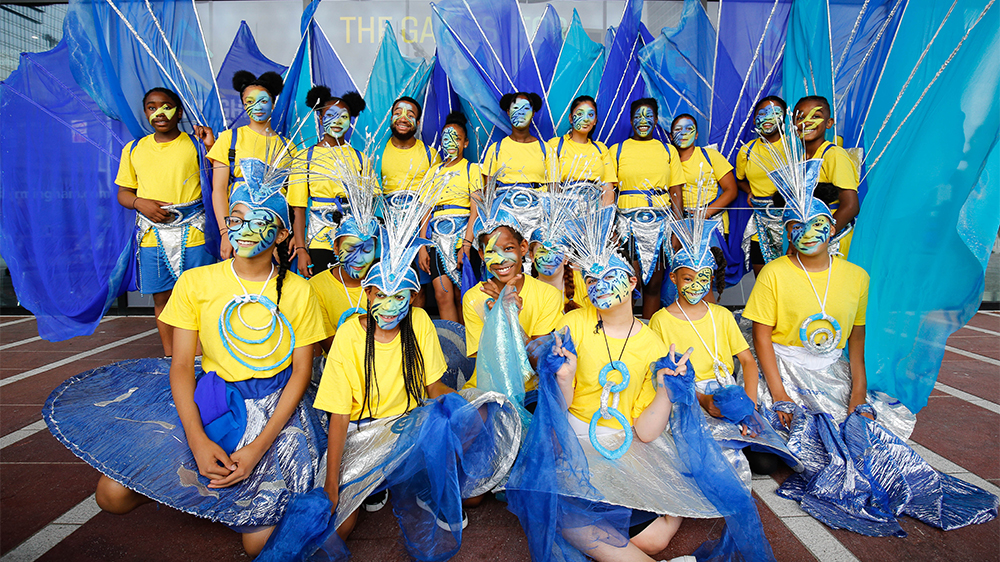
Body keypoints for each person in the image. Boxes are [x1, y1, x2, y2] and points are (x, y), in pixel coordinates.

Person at [46, 157, 329, 558]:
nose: (244, 228)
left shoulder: (299, 291)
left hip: (277, 408)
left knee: (258, 545)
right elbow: (181, 366)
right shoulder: (197, 282)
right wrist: (196, 441)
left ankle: (232, 487)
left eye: (260, 220)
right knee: (112, 496)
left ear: (283, 233)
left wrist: (257, 448)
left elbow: (301, 373)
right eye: (235, 217)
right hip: (213, 401)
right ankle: (194, 487)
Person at [506, 204, 772, 562]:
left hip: (624, 443)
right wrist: (564, 378)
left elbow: (646, 432)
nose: (598, 287)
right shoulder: (576, 324)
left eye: (608, 277)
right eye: (591, 280)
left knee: (654, 538)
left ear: (632, 281)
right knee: (560, 516)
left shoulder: (652, 344)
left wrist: (665, 388)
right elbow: (562, 407)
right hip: (576, 441)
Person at [313, 181, 520, 560]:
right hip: (364, 434)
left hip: (409, 428)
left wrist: (465, 413)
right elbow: (339, 414)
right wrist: (331, 485)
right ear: (368, 295)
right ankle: (378, 483)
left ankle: (427, 482)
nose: (390, 308)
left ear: (412, 297)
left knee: (483, 406)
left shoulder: (420, 321)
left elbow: (432, 387)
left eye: (400, 298)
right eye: (381, 297)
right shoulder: (349, 332)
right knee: (334, 529)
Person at [115, 87, 217, 356]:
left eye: (166, 106)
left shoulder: (196, 145)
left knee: (197, 299)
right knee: (163, 299)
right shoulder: (134, 149)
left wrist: (210, 146)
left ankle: (199, 358)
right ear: (145, 112)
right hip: (152, 237)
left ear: (179, 112)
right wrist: (140, 203)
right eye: (151, 107)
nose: (159, 112)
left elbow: (221, 180)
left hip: (194, 234)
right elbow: (124, 193)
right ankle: (171, 357)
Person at [461, 181, 563, 390]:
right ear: (481, 254)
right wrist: (499, 310)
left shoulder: (548, 295)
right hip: (488, 389)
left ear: (523, 247)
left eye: (508, 248)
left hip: (533, 392)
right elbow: (490, 365)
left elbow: (538, 363)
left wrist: (509, 316)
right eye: (490, 252)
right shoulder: (473, 298)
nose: (500, 259)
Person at [611, 98, 685, 318]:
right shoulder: (617, 150)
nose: (643, 121)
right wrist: (610, 228)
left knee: (653, 284)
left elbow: (677, 194)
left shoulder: (668, 150)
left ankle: (649, 332)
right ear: (631, 119)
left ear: (656, 119)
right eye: (638, 116)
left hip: (661, 225)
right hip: (627, 225)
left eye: (649, 115)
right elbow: (608, 193)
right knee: (627, 281)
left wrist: (678, 231)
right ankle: (625, 332)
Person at [207, 71, 290, 259]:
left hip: (272, 228)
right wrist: (224, 233)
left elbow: (291, 196)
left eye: (263, 100)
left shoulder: (288, 146)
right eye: (250, 102)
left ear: (273, 103)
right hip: (239, 227)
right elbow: (219, 190)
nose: (257, 107)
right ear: (243, 105)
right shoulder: (230, 138)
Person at [307, 146, 381, 354]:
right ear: (335, 246)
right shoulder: (315, 287)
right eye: (350, 249)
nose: (358, 258)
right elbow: (328, 346)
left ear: (376, 250)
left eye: (367, 249)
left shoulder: (386, 283)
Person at [288, 86, 367, 277]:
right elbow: (298, 208)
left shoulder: (361, 158)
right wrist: (301, 249)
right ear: (320, 119)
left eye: (344, 116)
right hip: (319, 238)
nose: (337, 121)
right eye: (331, 115)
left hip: (353, 239)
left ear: (351, 121)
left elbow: (369, 206)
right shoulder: (304, 158)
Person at [418, 111, 481, 323]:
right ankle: (453, 346)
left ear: (465, 143)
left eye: (457, 138)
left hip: (463, 237)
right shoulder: (433, 172)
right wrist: (422, 246)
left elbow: (475, 211)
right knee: (442, 295)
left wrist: (467, 244)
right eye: (446, 138)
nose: (451, 142)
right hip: (435, 239)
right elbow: (425, 212)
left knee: (463, 295)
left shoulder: (471, 169)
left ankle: (470, 350)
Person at [792, 95, 860, 257]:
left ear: (829, 123)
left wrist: (820, 237)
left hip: (831, 241)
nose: (807, 122)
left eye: (815, 116)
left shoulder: (834, 155)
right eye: (800, 117)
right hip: (808, 239)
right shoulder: (801, 159)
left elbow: (850, 206)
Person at [734, 95, 787, 274]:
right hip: (761, 224)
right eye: (761, 113)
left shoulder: (795, 146)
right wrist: (748, 191)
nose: (766, 118)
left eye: (773, 112)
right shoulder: (747, 150)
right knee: (763, 277)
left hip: (790, 221)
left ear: (784, 117)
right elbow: (739, 178)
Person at [670, 114, 738, 244]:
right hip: (681, 223)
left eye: (689, 129)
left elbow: (731, 190)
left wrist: (706, 212)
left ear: (696, 135)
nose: (683, 133)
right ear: (671, 136)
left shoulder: (710, 155)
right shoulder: (668, 160)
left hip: (711, 222)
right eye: (678, 129)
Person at [546, 95, 616, 205]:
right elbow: (552, 186)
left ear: (595, 120)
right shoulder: (555, 145)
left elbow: (608, 190)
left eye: (591, 114)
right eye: (580, 114)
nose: (586, 119)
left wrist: (604, 219)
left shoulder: (601, 149)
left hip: (595, 214)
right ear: (570, 118)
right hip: (564, 212)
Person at [482, 92, 548, 189]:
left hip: (539, 202)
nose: (521, 112)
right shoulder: (495, 149)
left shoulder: (546, 149)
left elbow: (553, 189)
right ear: (508, 112)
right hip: (504, 203)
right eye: (516, 108)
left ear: (533, 113)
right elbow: (489, 192)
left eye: (526, 108)